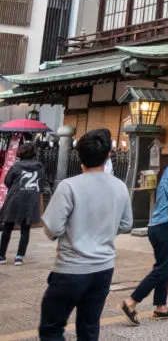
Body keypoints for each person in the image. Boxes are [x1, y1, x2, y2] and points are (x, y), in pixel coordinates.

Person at [38, 128, 133, 341]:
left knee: (52, 327)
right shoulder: (119, 187)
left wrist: (73, 230)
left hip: (71, 268)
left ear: (80, 156)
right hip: (103, 269)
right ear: (108, 155)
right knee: (89, 326)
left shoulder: (69, 186)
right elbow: (126, 223)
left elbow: (52, 228)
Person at [121, 135, 168, 325]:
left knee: (164, 266)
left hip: (157, 224)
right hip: (164, 224)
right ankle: (131, 302)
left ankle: (161, 307)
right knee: (163, 268)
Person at [0, 141, 47, 265]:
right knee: (25, 229)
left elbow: (7, 181)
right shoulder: (39, 167)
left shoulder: (16, 166)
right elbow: (41, 184)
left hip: (14, 198)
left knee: (7, 227)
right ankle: (19, 257)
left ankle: (2, 255)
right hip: (31, 199)